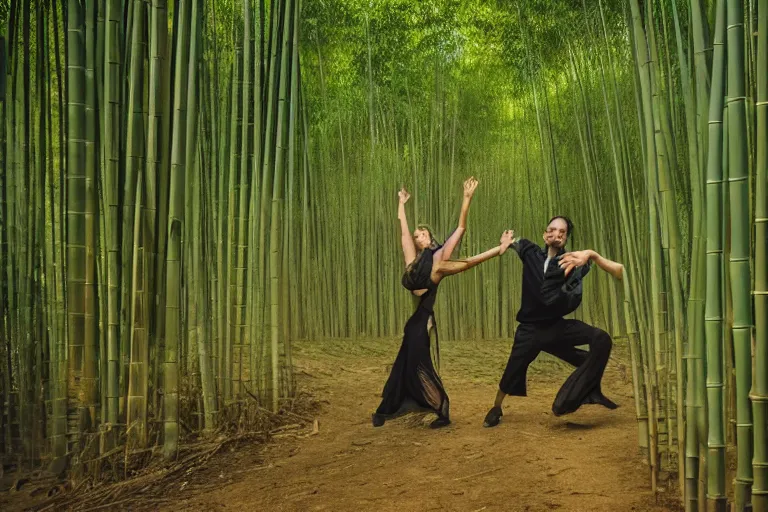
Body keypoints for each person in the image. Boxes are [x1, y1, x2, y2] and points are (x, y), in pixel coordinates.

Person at [373, 177, 514, 429]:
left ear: (430, 236)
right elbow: (403, 231)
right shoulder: (412, 262)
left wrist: (467, 199)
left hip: (424, 320)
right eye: (417, 236)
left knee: (419, 364)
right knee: (404, 364)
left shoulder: (438, 262)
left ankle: (441, 409)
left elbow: (464, 244)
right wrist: (401, 204)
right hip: (412, 324)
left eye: (423, 234)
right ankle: (389, 408)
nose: (418, 238)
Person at [483, 216, 624, 428]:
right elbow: (513, 241)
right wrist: (507, 241)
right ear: (544, 234)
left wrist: (592, 255)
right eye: (552, 230)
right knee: (513, 369)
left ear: (566, 238)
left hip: (556, 327)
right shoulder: (530, 251)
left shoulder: (573, 260)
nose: (556, 234)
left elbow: (619, 271)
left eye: (562, 232)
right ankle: (496, 407)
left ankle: (585, 392)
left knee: (600, 338)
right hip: (529, 330)